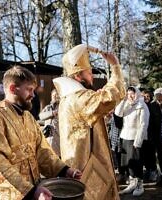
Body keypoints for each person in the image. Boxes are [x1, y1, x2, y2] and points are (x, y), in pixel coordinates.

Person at [0, 66, 82, 200]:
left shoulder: (28, 118)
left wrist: (65, 170)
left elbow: (42, 151)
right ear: (12, 89)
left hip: (29, 191)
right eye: (29, 89)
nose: (33, 95)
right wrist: (31, 191)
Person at [53, 44, 125, 200]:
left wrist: (101, 116)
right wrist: (115, 66)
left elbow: (86, 125)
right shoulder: (79, 97)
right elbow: (111, 96)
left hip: (79, 164)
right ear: (78, 75)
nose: (92, 76)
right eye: (90, 72)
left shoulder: (69, 98)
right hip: (88, 168)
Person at [115, 86, 150, 196]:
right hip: (125, 137)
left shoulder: (142, 106)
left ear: (138, 94)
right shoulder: (126, 105)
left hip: (136, 139)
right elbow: (117, 113)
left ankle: (140, 185)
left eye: (132, 94)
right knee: (127, 163)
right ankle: (132, 183)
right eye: (128, 93)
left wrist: (138, 142)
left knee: (137, 162)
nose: (130, 96)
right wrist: (124, 100)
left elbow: (143, 125)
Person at [147, 87, 162, 185]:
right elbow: (150, 123)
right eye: (157, 97)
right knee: (161, 158)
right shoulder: (152, 106)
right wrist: (151, 137)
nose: (159, 99)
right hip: (157, 137)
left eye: (161, 97)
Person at [39, 89, 60, 156]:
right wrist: (52, 113)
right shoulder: (48, 107)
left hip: (58, 136)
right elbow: (41, 116)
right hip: (48, 136)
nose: (55, 97)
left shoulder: (62, 107)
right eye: (53, 95)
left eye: (56, 95)